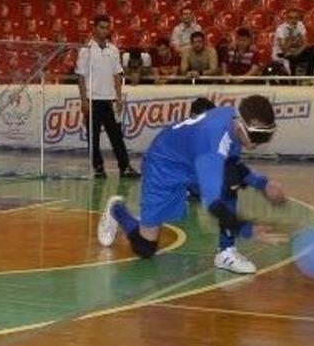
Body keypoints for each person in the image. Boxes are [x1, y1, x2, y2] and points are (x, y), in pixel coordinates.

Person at [97, 95, 286, 274]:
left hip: (191, 160)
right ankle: (117, 210)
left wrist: (263, 184)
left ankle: (226, 252)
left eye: (265, 137)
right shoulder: (213, 143)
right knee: (145, 247)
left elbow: (232, 165)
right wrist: (246, 229)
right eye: (256, 136)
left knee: (229, 179)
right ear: (239, 123)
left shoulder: (233, 122)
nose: (257, 144)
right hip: (164, 164)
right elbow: (213, 205)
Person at [76, 15, 141, 179]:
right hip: (93, 100)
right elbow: (81, 77)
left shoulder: (113, 50)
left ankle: (124, 167)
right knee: (93, 137)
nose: (104, 30)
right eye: (101, 27)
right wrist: (83, 100)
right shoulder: (86, 50)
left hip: (109, 100)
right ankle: (98, 167)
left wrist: (118, 98)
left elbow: (117, 75)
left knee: (116, 136)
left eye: (106, 27)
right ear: (94, 28)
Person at [272, 8, 314, 76]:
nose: (293, 20)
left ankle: (309, 76)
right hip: (281, 54)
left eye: (296, 18)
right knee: (291, 57)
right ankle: (293, 82)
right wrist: (290, 34)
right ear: (287, 18)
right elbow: (284, 48)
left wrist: (297, 53)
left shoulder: (300, 25)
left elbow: (305, 43)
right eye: (291, 18)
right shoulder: (281, 29)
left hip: (295, 52)